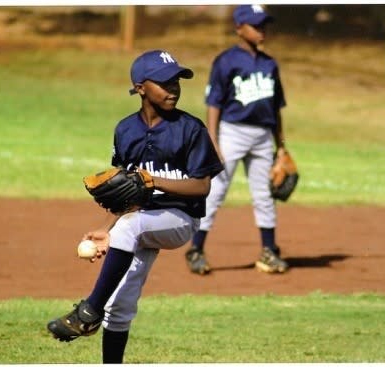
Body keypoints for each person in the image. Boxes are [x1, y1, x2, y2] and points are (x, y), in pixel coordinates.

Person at [47, 50, 223, 364]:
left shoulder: (190, 129)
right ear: (140, 87)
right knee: (120, 303)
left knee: (132, 226)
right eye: (164, 82)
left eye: (177, 81)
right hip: (138, 219)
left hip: (179, 219)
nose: (174, 88)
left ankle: (89, 311)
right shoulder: (125, 130)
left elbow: (202, 186)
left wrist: (153, 181)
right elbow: (125, 191)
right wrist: (104, 228)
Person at [185, 4, 290, 275]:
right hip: (232, 132)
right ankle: (196, 248)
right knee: (216, 192)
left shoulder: (270, 64)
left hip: (263, 135)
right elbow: (213, 103)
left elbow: (276, 109)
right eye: (256, 25)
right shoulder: (226, 61)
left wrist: (282, 147)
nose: (262, 30)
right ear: (239, 29)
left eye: (264, 25)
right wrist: (214, 140)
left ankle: (269, 250)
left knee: (265, 195)